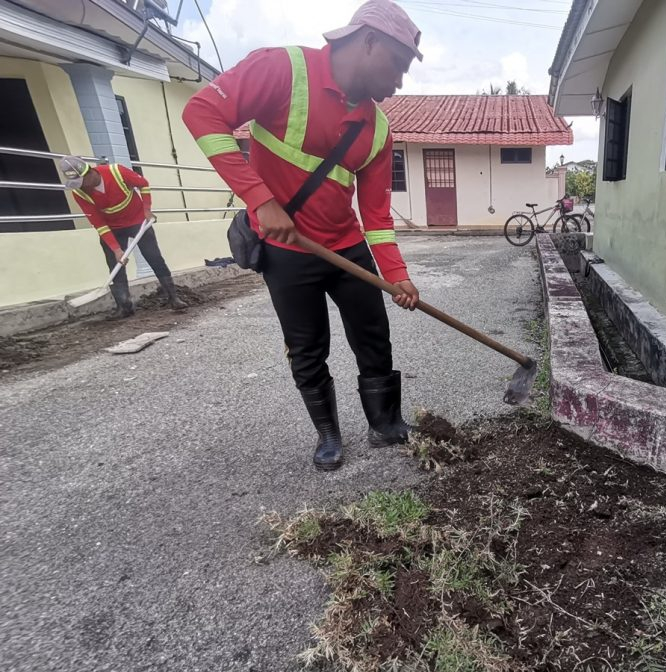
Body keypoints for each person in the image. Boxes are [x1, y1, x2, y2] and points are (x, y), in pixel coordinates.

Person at [182, 0, 423, 472]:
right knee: (307, 346)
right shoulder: (282, 69)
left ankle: (385, 423)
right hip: (286, 249)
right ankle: (328, 435)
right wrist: (259, 198)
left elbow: (375, 217)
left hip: (346, 247)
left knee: (374, 337)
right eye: (397, 65)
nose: (399, 82)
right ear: (368, 40)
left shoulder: (378, 129)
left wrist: (397, 275)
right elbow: (202, 113)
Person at [60, 156, 187, 316]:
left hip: (138, 221)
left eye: (82, 182)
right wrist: (116, 249)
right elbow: (98, 223)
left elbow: (144, 184)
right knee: (115, 265)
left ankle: (173, 298)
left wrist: (146, 209)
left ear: (90, 173)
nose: (81, 187)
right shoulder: (80, 193)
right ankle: (124, 307)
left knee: (154, 257)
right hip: (112, 228)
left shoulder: (117, 172)